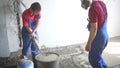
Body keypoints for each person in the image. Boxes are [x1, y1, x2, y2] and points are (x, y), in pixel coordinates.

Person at [81, 0, 108, 68]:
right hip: (105, 36)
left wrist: (88, 44)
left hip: (99, 38)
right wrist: (92, 21)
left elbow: (94, 29)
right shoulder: (102, 3)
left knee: (93, 59)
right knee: (97, 56)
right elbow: (105, 18)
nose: (82, 2)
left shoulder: (93, 9)